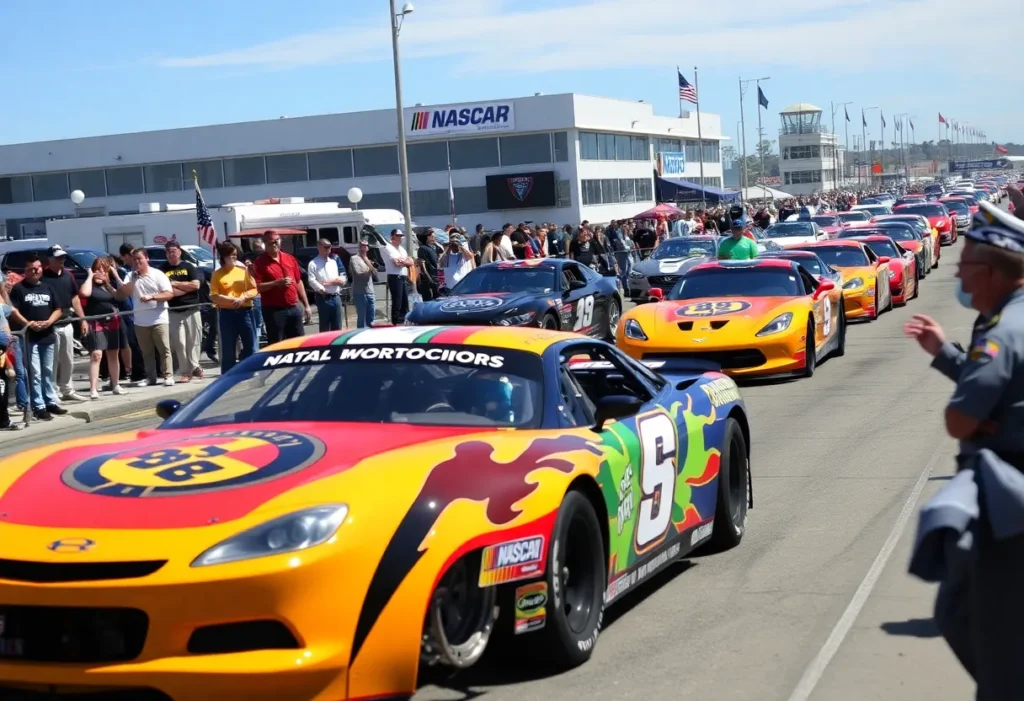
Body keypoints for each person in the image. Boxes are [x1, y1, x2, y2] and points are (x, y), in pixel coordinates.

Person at [904, 201, 1024, 699]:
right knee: (962, 612)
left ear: (991, 271)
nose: (959, 276)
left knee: (988, 631)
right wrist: (946, 354)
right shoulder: (1008, 320)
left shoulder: (1002, 333)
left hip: (1008, 502)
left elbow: (960, 419)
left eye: (966, 267)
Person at [7, 255, 66, 420]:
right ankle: (38, 406)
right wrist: (28, 323)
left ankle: (50, 401)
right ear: (25, 271)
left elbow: (58, 309)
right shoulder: (19, 289)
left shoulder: (48, 287)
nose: (35, 271)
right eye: (31, 269)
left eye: (38, 267)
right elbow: (13, 311)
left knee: (48, 371)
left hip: (47, 335)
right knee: (35, 373)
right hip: (29, 337)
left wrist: (49, 322)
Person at [116, 248, 174, 387]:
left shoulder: (158, 274)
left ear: (146, 258)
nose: (137, 262)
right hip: (140, 320)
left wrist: (152, 297)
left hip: (159, 318)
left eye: (139, 259)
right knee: (146, 351)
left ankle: (168, 376)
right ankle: (150, 377)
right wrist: (124, 277)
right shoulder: (131, 276)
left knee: (164, 349)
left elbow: (169, 293)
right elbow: (126, 293)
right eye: (134, 259)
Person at [42, 245, 87, 403]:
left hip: (67, 322)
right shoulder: (43, 277)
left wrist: (82, 319)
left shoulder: (68, 276)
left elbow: (75, 298)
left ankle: (67, 389)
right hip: (50, 325)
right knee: (52, 361)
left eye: (62, 257)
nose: (61, 260)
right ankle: (52, 391)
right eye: (58, 257)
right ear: (50, 259)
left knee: (68, 358)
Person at [78, 258, 126, 399]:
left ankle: (115, 384)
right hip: (96, 322)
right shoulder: (89, 285)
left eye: (104, 270)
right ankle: (93, 389)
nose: (100, 272)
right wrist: (90, 276)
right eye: (97, 269)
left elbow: (121, 296)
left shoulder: (108, 285)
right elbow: (84, 294)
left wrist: (113, 277)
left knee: (113, 354)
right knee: (96, 355)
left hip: (112, 321)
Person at [252, 231, 310, 344]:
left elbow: (298, 281)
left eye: (276, 241)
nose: (274, 244)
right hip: (274, 310)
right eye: (269, 243)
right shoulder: (259, 263)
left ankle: (296, 362)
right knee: (277, 343)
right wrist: (276, 283)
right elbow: (257, 287)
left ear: (280, 241)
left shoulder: (289, 258)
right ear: (264, 244)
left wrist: (306, 305)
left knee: (298, 342)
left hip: (293, 307)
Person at [210, 242, 259, 373]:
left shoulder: (243, 271)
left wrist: (243, 297)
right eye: (230, 255)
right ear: (223, 257)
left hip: (245, 312)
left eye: (235, 255)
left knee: (250, 345)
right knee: (228, 348)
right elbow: (214, 296)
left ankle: (250, 370)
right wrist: (230, 300)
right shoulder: (217, 274)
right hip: (227, 313)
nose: (233, 258)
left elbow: (254, 289)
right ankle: (228, 374)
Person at [162, 240, 203, 382]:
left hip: (192, 309)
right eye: (168, 251)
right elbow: (167, 291)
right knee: (179, 342)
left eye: (173, 250)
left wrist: (175, 284)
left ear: (179, 251)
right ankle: (186, 371)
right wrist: (185, 288)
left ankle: (195, 366)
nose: (171, 253)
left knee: (194, 340)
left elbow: (196, 285)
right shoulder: (162, 269)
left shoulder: (188, 267)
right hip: (174, 311)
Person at [306, 239, 346, 332]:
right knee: (324, 327)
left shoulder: (333, 262)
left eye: (330, 247)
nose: (329, 249)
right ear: (319, 247)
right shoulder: (313, 263)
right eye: (326, 247)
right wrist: (321, 288)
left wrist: (337, 281)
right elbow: (311, 280)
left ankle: (336, 347)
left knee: (337, 327)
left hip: (336, 297)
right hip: (323, 298)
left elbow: (341, 276)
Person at [384, 229, 414, 324]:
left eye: (401, 236)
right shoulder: (388, 248)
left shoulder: (402, 249)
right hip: (394, 277)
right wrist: (406, 262)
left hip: (403, 276)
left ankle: (405, 320)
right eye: (398, 235)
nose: (400, 238)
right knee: (397, 301)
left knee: (405, 301)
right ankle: (396, 322)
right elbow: (397, 263)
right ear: (392, 236)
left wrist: (404, 261)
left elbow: (411, 262)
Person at [348, 239, 378, 329]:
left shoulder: (368, 259)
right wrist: (370, 268)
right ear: (359, 247)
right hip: (360, 292)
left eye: (366, 245)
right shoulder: (354, 258)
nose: (364, 247)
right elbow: (359, 273)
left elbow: (375, 273)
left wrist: (370, 264)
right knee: (362, 318)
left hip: (370, 291)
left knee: (372, 318)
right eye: (362, 245)